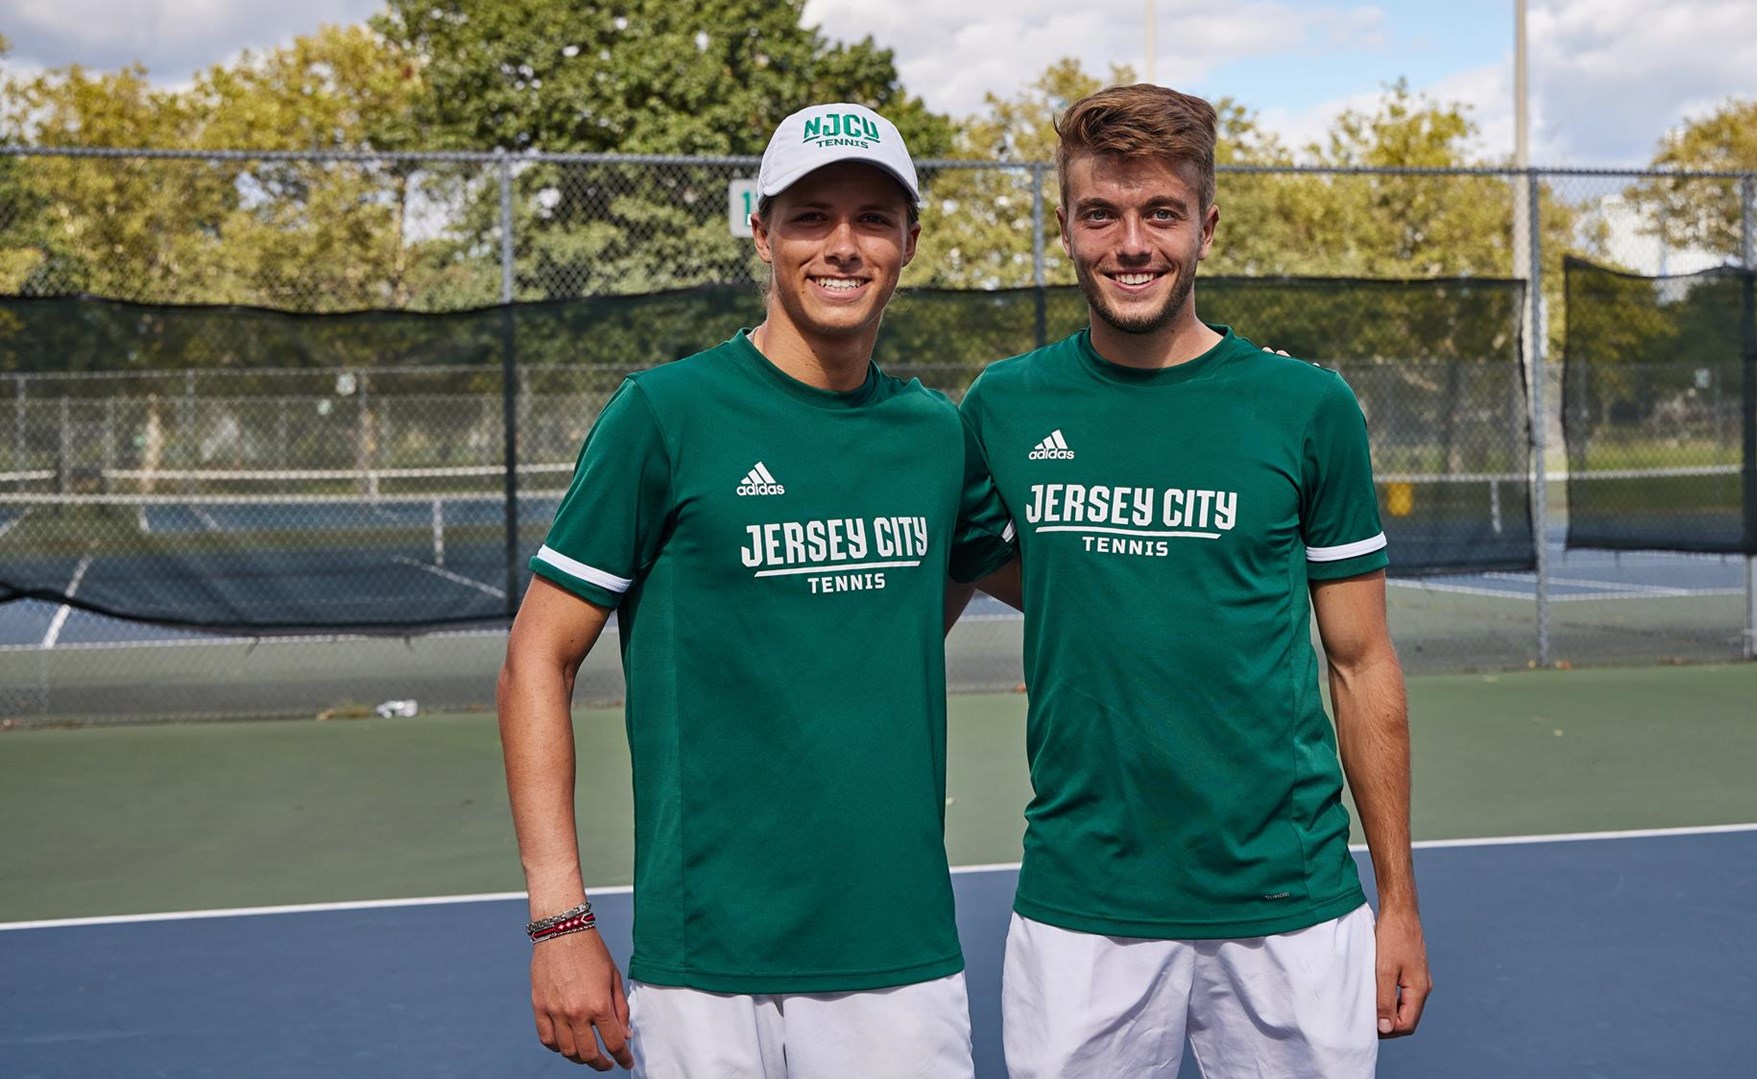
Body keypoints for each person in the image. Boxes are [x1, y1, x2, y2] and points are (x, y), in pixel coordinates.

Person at [497, 102, 1012, 1077]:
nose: (843, 245)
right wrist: (559, 917)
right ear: (762, 230)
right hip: (708, 964)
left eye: (873, 218)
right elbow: (536, 657)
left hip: (899, 958)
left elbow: (1069, 576)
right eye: (811, 216)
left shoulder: (937, 434)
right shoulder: (664, 414)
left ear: (909, 239)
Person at [954, 83, 1431, 1077]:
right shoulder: (1004, 405)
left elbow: (1360, 663)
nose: (1132, 244)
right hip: (1084, 899)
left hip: (1289, 900)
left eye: (1161, 213)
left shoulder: (1306, 407)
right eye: (1101, 214)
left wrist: (1398, 902)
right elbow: (972, 575)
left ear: (1206, 227)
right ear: (1065, 228)